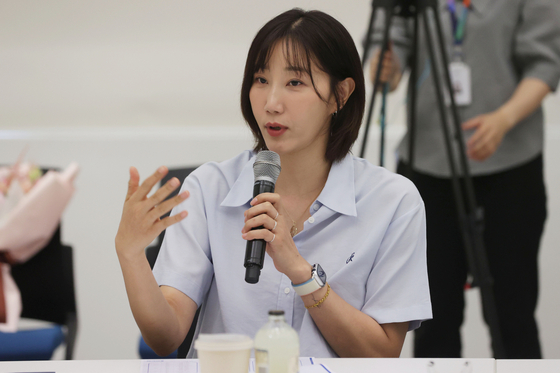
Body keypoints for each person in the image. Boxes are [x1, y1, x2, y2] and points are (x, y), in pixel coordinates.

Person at [115, 8, 432, 359]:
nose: (271, 103)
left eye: (295, 83)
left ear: (341, 95)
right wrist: (131, 256)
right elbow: (166, 336)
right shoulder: (209, 189)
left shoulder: (393, 202)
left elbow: (382, 354)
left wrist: (299, 271)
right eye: (261, 80)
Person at [367, 0, 560, 358]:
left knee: (512, 315)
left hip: (509, 170)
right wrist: (384, 67)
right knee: (432, 319)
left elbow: (547, 62)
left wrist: (503, 118)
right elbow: (390, 59)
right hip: (428, 168)